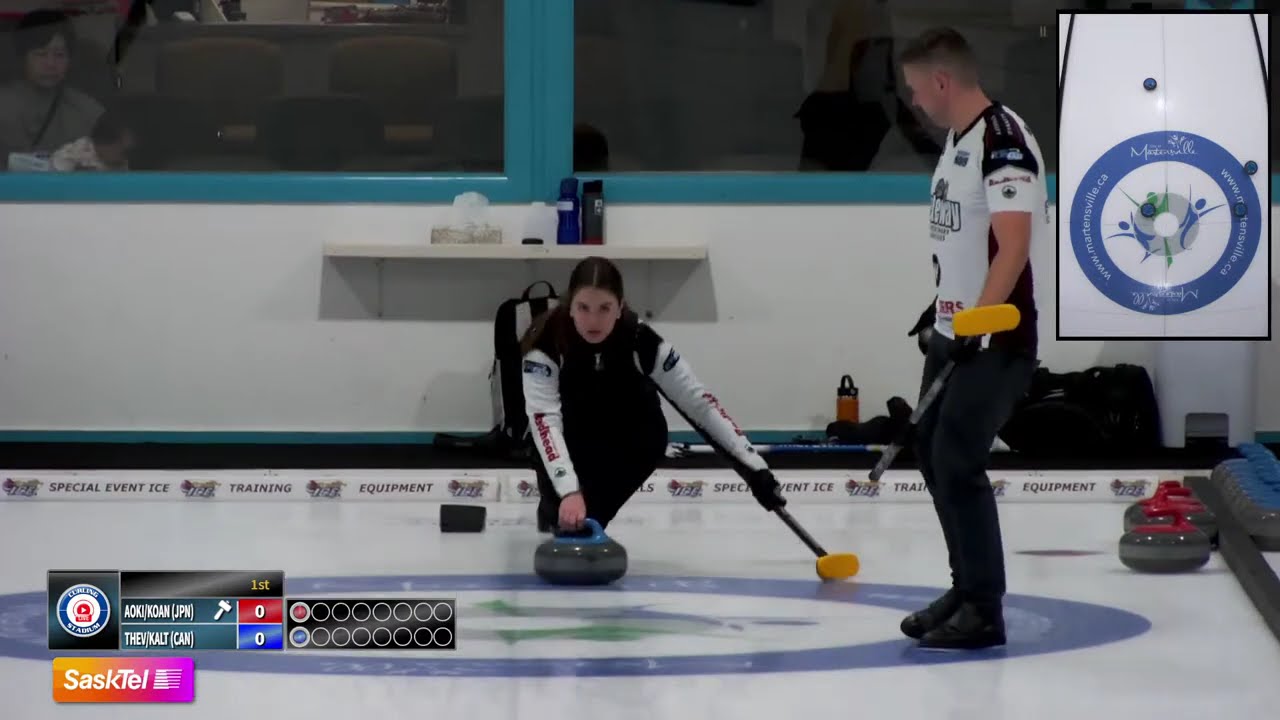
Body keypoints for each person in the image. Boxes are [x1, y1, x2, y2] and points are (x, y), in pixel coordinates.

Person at [896, 28, 1046, 650]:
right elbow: (962, 244)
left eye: (915, 89)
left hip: (994, 341)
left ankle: (985, 608)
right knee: (933, 455)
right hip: (951, 334)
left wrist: (978, 327)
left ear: (941, 80)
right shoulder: (957, 141)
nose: (913, 101)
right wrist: (942, 314)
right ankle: (964, 588)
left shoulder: (1003, 141)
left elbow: (1012, 248)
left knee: (959, 461)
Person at [519, 256, 785, 533]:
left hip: (628, 439)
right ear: (570, 307)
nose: (593, 320)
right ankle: (554, 506)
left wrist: (756, 469)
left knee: (588, 520)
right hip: (570, 435)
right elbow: (544, 421)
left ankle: (594, 512)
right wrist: (568, 489)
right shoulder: (545, 346)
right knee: (558, 512)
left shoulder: (642, 341)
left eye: (604, 308)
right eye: (583, 308)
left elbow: (701, 405)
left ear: (620, 307)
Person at [0, 10, 105, 168]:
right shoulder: (4, 104)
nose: (50, 64)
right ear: (22, 57)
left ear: (70, 59)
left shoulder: (87, 110)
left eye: (59, 55)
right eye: (40, 54)